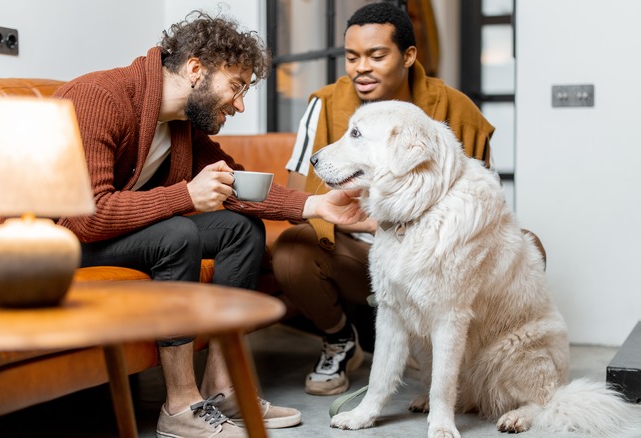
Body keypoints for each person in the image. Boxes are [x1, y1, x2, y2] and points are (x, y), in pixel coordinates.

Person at [54, 10, 365, 438]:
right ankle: (179, 406)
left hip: (114, 233)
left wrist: (317, 205)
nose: (239, 104)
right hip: (59, 242)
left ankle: (225, 388)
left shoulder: (182, 125)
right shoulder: (99, 98)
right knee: (177, 233)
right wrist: (184, 195)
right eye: (236, 87)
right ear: (196, 68)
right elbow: (83, 217)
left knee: (239, 228)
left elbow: (236, 186)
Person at [271, 1, 496, 397]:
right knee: (291, 251)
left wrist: (410, 221)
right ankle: (339, 339)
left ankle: (451, 349)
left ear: (409, 55)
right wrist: (368, 219)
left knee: (529, 247)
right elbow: (300, 196)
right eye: (352, 57)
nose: (361, 68)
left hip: (440, 258)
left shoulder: (457, 110)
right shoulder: (324, 104)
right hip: (359, 257)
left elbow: (482, 201)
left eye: (376, 55)